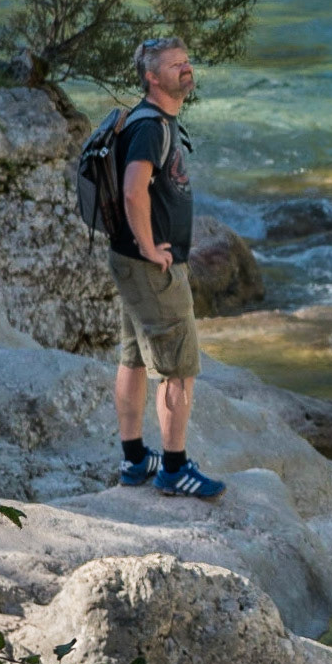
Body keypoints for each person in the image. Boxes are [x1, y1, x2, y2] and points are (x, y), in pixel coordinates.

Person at [108, 37, 225, 498]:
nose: (186, 69)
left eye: (187, 62)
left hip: (130, 260)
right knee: (178, 367)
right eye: (175, 65)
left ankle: (135, 461)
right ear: (152, 77)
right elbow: (134, 190)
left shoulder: (146, 119)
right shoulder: (150, 128)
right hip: (150, 266)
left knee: (134, 357)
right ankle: (173, 468)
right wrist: (150, 247)